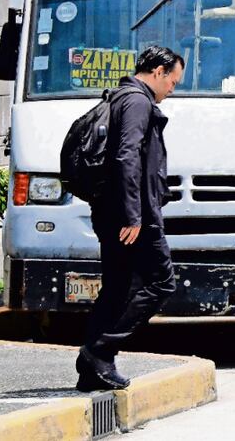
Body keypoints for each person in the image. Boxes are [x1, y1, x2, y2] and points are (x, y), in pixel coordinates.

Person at [76, 46, 184, 391]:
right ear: (158, 72)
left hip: (114, 210)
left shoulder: (121, 96)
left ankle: (92, 367)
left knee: (118, 287)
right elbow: (127, 157)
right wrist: (134, 216)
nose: (172, 89)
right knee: (161, 283)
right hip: (133, 215)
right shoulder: (137, 101)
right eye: (173, 81)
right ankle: (99, 350)